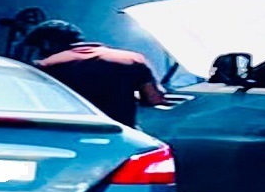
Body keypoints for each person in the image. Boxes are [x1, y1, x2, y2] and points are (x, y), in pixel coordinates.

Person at [23, 20, 167, 127]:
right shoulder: (131, 59)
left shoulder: (45, 66)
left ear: (47, 44)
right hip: (120, 134)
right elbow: (154, 98)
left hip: (68, 134)